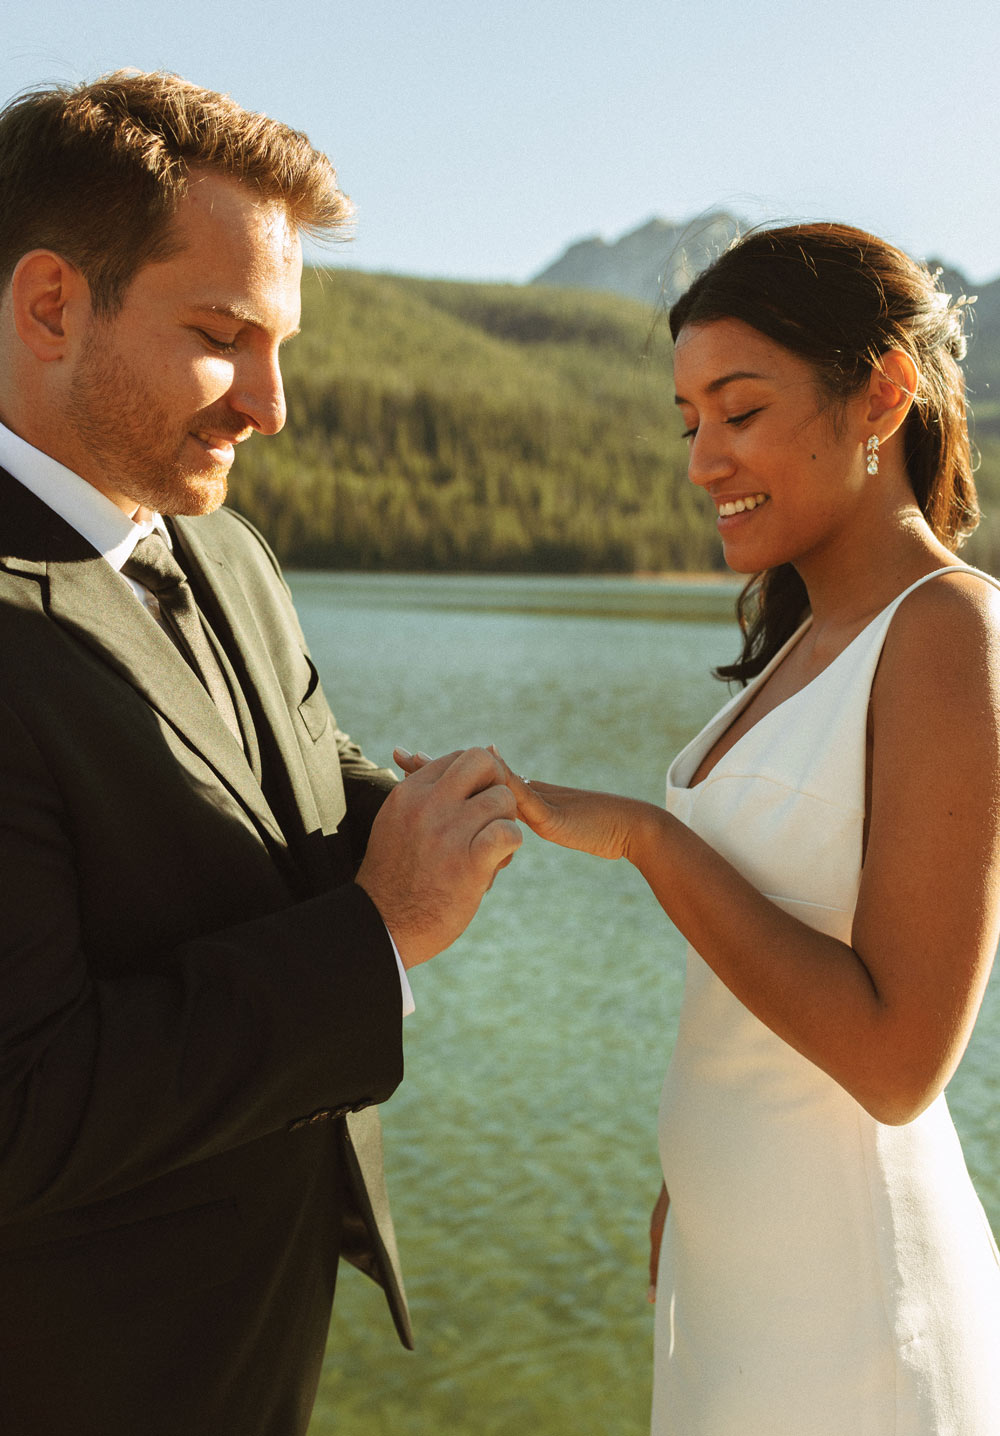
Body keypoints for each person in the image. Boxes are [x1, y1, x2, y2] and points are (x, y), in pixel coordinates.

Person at [404, 223, 1000, 1433]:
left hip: (853, 1304)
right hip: (738, 1264)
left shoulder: (949, 632)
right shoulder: (800, 637)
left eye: (738, 411)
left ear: (879, 393)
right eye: (689, 421)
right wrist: (691, 1187)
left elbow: (898, 1064)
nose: (700, 460)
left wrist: (644, 837)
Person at [0, 71, 520, 1436]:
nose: (272, 405)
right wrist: (381, 932)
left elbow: (281, 780)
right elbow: (23, 1106)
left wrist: (421, 813)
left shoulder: (222, 547)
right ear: (52, 304)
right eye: (226, 335)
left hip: (254, 1339)